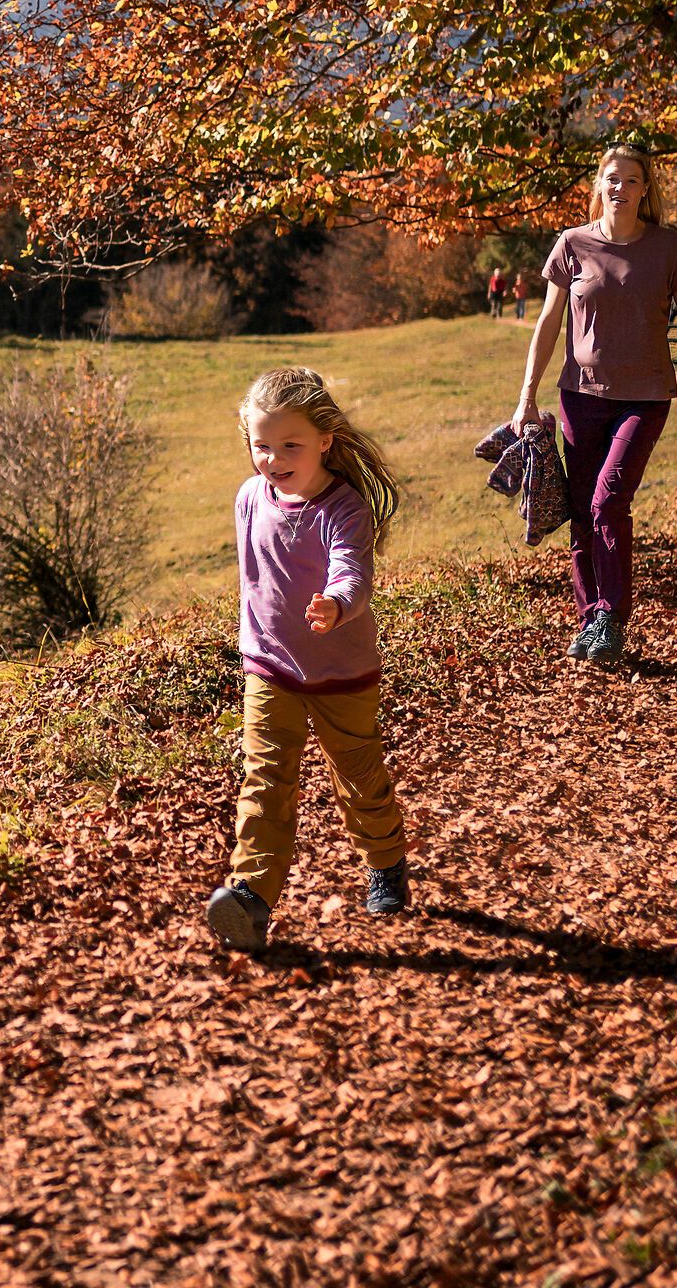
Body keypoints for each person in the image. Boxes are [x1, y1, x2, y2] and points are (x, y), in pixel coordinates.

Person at [205, 366, 413, 953]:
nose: (272, 459)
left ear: (325, 440)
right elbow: (256, 578)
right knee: (265, 779)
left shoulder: (341, 508)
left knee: (359, 778)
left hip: (342, 671)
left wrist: (337, 604)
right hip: (269, 667)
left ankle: (385, 860)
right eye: (261, 445)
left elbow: (353, 570)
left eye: (289, 445)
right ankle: (251, 896)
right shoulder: (249, 498)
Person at [510, 145, 677, 666]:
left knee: (609, 500)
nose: (621, 188)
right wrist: (527, 396)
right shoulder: (572, 244)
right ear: (599, 185)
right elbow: (547, 325)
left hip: (646, 396)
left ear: (644, 190)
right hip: (580, 396)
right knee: (583, 511)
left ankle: (611, 615)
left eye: (632, 180)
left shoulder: (667, 248)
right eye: (613, 178)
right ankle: (591, 621)